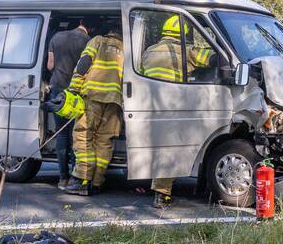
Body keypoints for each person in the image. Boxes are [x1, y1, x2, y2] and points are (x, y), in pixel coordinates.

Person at [142, 14, 215, 207]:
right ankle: (161, 194)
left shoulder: (150, 51)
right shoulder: (184, 50)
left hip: (149, 107)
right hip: (173, 107)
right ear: (183, 34)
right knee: (169, 150)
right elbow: (213, 58)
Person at [64, 19, 124, 196]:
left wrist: (74, 89)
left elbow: (83, 64)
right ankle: (97, 182)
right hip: (114, 102)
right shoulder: (127, 49)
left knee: (83, 136)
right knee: (104, 142)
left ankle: (82, 180)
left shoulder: (97, 41)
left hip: (92, 97)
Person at [46, 17, 95, 190]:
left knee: (62, 134)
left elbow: (50, 66)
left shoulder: (57, 37)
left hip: (58, 91)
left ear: (80, 22)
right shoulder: (88, 42)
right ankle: (76, 176)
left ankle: (62, 178)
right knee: (77, 134)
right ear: (91, 28)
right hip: (76, 93)